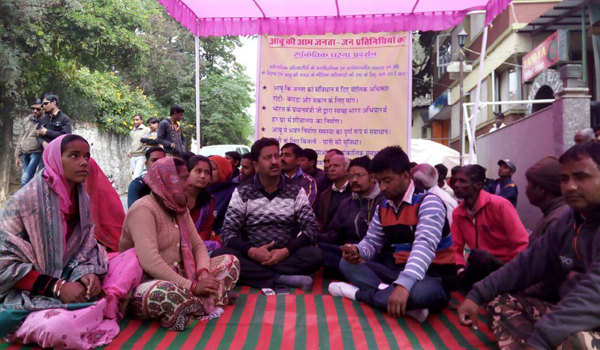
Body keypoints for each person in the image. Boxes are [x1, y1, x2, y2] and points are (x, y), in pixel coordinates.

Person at [0, 135, 143, 349]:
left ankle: (90, 308)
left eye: (86, 156)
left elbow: (86, 247)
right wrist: (57, 287)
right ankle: (94, 310)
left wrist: (87, 274)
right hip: (28, 289)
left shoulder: (81, 198)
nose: (84, 162)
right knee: (58, 329)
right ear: (55, 160)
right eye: (74, 156)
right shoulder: (24, 202)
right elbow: (4, 266)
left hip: (70, 279)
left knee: (133, 257)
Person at [458, 142, 600, 350]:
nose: (570, 186)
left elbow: (593, 294)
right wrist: (476, 294)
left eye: (581, 177)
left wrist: (542, 338)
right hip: (567, 310)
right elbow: (526, 264)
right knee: (500, 301)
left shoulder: (505, 204)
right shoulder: (569, 221)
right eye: (564, 179)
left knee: (572, 340)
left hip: (588, 316)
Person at [329, 146, 456, 323]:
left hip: (432, 276)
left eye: (387, 180)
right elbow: (372, 242)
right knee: (347, 264)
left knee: (419, 294)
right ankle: (396, 298)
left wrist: (404, 285)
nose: (382, 187)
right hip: (397, 270)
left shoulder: (429, 203)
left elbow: (424, 246)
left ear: (406, 176)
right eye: (379, 181)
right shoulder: (384, 207)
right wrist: (357, 250)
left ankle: (359, 294)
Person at [120, 157, 240, 331]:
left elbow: (198, 246)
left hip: (183, 276)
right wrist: (192, 286)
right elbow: (149, 261)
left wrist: (204, 273)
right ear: (167, 181)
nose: (189, 182)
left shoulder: (179, 208)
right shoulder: (143, 209)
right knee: (169, 295)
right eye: (183, 178)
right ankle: (205, 298)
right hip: (147, 282)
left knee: (230, 261)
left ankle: (196, 300)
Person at [212, 138, 323, 291]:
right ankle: (279, 278)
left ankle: (257, 276)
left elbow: (311, 228)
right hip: (252, 255)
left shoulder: (295, 190)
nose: (275, 161)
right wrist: (252, 251)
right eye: (267, 157)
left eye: (277, 156)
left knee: (315, 255)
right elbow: (227, 232)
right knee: (220, 255)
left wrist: (286, 251)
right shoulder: (243, 191)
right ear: (256, 165)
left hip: (285, 255)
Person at [452, 165, 529, 290]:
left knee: (480, 256)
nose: (456, 184)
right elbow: (455, 248)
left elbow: (522, 243)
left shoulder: (500, 205)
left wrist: (514, 272)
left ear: (478, 185)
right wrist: (460, 269)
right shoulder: (458, 213)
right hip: (479, 266)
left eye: (462, 181)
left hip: (504, 267)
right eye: (455, 180)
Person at [318, 156, 385, 278]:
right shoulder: (346, 203)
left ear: (372, 177)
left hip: (374, 253)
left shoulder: (383, 202)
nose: (354, 180)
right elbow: (333, 234)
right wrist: (314, 238)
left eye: (359, 175)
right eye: (350, 176)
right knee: (317, 250)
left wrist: (360, 250)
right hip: (349, 253)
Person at [525, 156, 570, 245]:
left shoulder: (557, 221)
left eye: (529, 183)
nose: (526, 188)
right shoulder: (550, 214)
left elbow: (540, 258)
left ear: (541, 189)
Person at [185, 155, 220, 252]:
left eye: (207, 172)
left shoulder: (208, 200)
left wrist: (194, 244)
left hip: (197, 244)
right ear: (188, 172)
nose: (203, 176)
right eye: (198, 171)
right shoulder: (177, 197)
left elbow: (206, 229)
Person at [317, 155, 352, 231]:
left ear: (347, 170)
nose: (331, 169)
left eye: (336, 166)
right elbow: (321, 220)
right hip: (328, 238)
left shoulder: (355, 191)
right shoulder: (325, 195)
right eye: (330, 166)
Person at [15, 99, 44, 187]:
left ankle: (21, 199)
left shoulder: (45, 122)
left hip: (35, 153)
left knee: (24, 179)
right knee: (28, 179)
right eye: (33, 108)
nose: (35, 111)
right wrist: (17, 155)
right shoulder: (27, 120)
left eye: (38, 109)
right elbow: (21, 137)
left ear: (42, 109)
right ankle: (30, 199)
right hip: (24, 153)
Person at [208, 155, 238, 235]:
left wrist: (216, 232)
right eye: (207, 169)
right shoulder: (202, 189)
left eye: (213, 169)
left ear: (223, 170)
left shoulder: (234, 191)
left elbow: (235, 223)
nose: (208, 173)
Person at [281, 143, 318, 207]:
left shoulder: (308, 181)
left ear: (298, 160)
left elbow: (304, 206)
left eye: (287, 155)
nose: (282, 158)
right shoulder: (274, 178)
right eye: (281, 155)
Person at [129, 114, 150, 179]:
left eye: (137, 120)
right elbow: (132, 143)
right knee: (134, 175)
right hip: (132, 156)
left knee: (136, 176)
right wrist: (130, 151)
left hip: (141, 155)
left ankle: (134, 188)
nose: (135, 121)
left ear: (141, 120)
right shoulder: (132, 131)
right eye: (134, 120)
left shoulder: (146, 129)